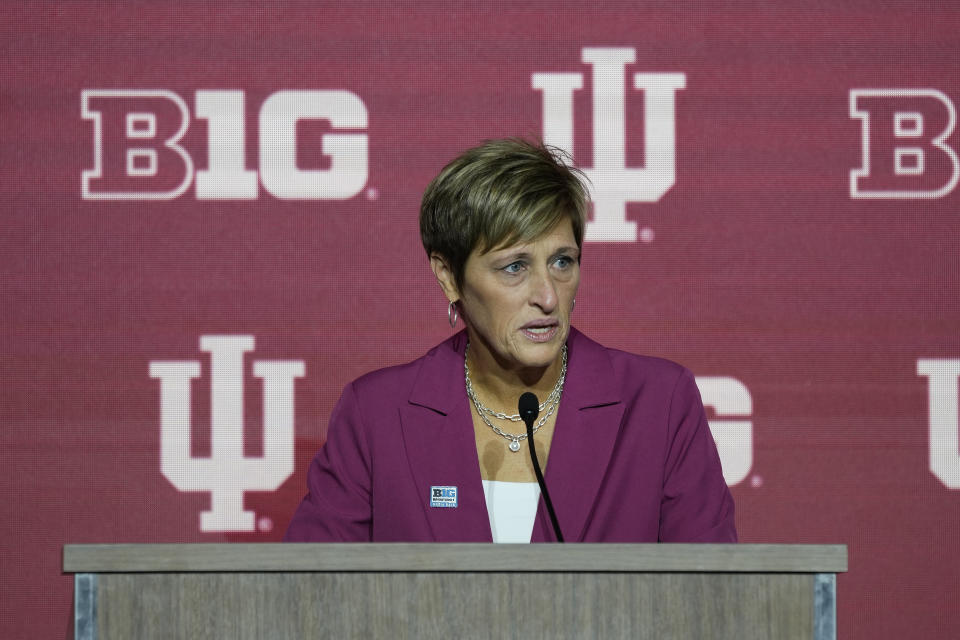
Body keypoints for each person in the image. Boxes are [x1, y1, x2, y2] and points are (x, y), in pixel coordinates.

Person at [285, 139, 736, 543]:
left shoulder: (658, 404)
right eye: (514, 267)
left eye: (562, 261)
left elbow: (713, 601)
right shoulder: (376, 415)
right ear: (448, 277)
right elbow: (308, 599)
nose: (547, 296)